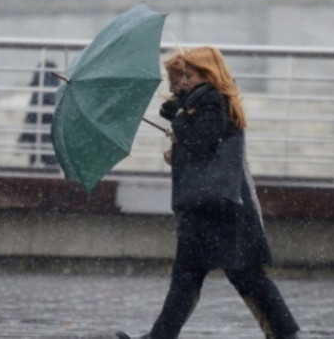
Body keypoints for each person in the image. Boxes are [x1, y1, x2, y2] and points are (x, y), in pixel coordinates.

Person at [116, 46, 299, 339]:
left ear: (207, 75)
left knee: (241, 277)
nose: (182, 82)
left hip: (218, 209)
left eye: (188, 76)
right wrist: (178, 148)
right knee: (195, 277)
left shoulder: (214, 101)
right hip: (211, 207)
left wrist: (179, 127)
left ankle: (286, 334)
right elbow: (207, 148)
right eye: (180, 77)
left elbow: (202, 140)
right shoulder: (204, 105)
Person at [18, 60, 60, 166]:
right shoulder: (57, 95)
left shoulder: (38, 95)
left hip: (39, 147)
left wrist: (23, 139)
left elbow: (31, 119)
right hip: (54, 149)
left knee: (38, 164)